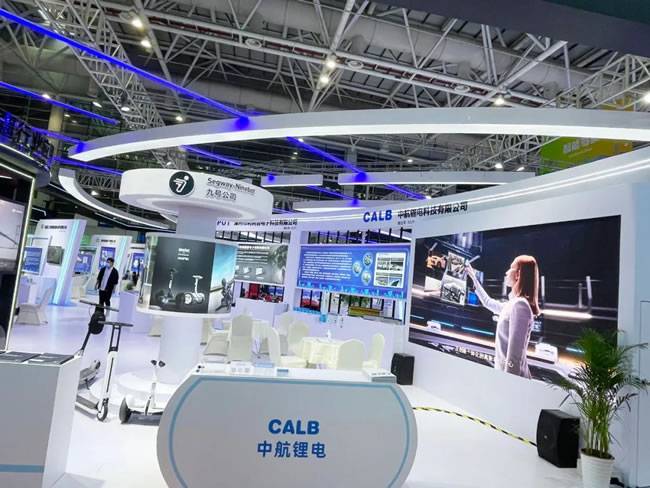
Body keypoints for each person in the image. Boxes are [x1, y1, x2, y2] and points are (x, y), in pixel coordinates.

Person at [467, 255, 540, 378]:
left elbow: (514, 358)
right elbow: (488, 302)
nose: (506, 272)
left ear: (518, 274)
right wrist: (474, 278)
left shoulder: (520, 306)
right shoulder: (513, 304)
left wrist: (507, 383)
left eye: (511, 268)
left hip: (512, 381)